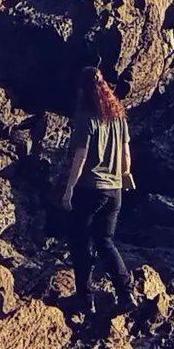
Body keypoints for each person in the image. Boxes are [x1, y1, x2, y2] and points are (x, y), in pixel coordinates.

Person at [60, 66, 135, 317]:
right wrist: (122, 178)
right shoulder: (118, 117)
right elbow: (126, 157)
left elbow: (80, 158)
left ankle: (84, 298)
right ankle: (126, 295)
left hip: (90, 189)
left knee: (80, 243)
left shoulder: (86, 118)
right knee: (105, 242)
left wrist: (69, 189)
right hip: (115, 191)